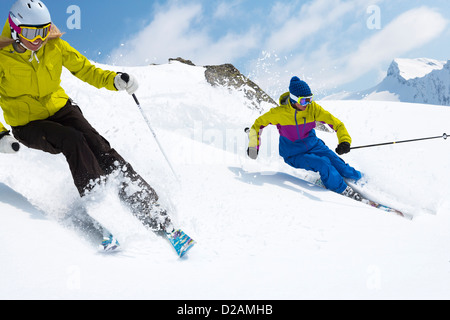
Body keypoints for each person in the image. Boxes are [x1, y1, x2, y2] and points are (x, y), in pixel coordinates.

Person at [0, 0, 194, 254]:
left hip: (61, 109)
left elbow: (85, 69)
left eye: (43, 30)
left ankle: (158, 216)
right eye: (30, 32)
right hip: (28, 124)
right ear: (15, 29)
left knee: (101, 149)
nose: (38, 39)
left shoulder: (54, 45)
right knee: (73, 141)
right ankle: (103, 211)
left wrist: (113, 80)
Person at [247, 76, 363, 200]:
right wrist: (253, 146)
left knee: (344, 168)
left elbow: (337, 124)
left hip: (315, 145)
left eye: (310, 99)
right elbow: (257, 125)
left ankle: (360, 181)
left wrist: (344, 141)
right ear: (294, 99)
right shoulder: (279, 113)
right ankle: (341, 190)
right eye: (304, 101)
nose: (308, 104)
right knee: (323, 163)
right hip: (294, 154)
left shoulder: (313, 108)